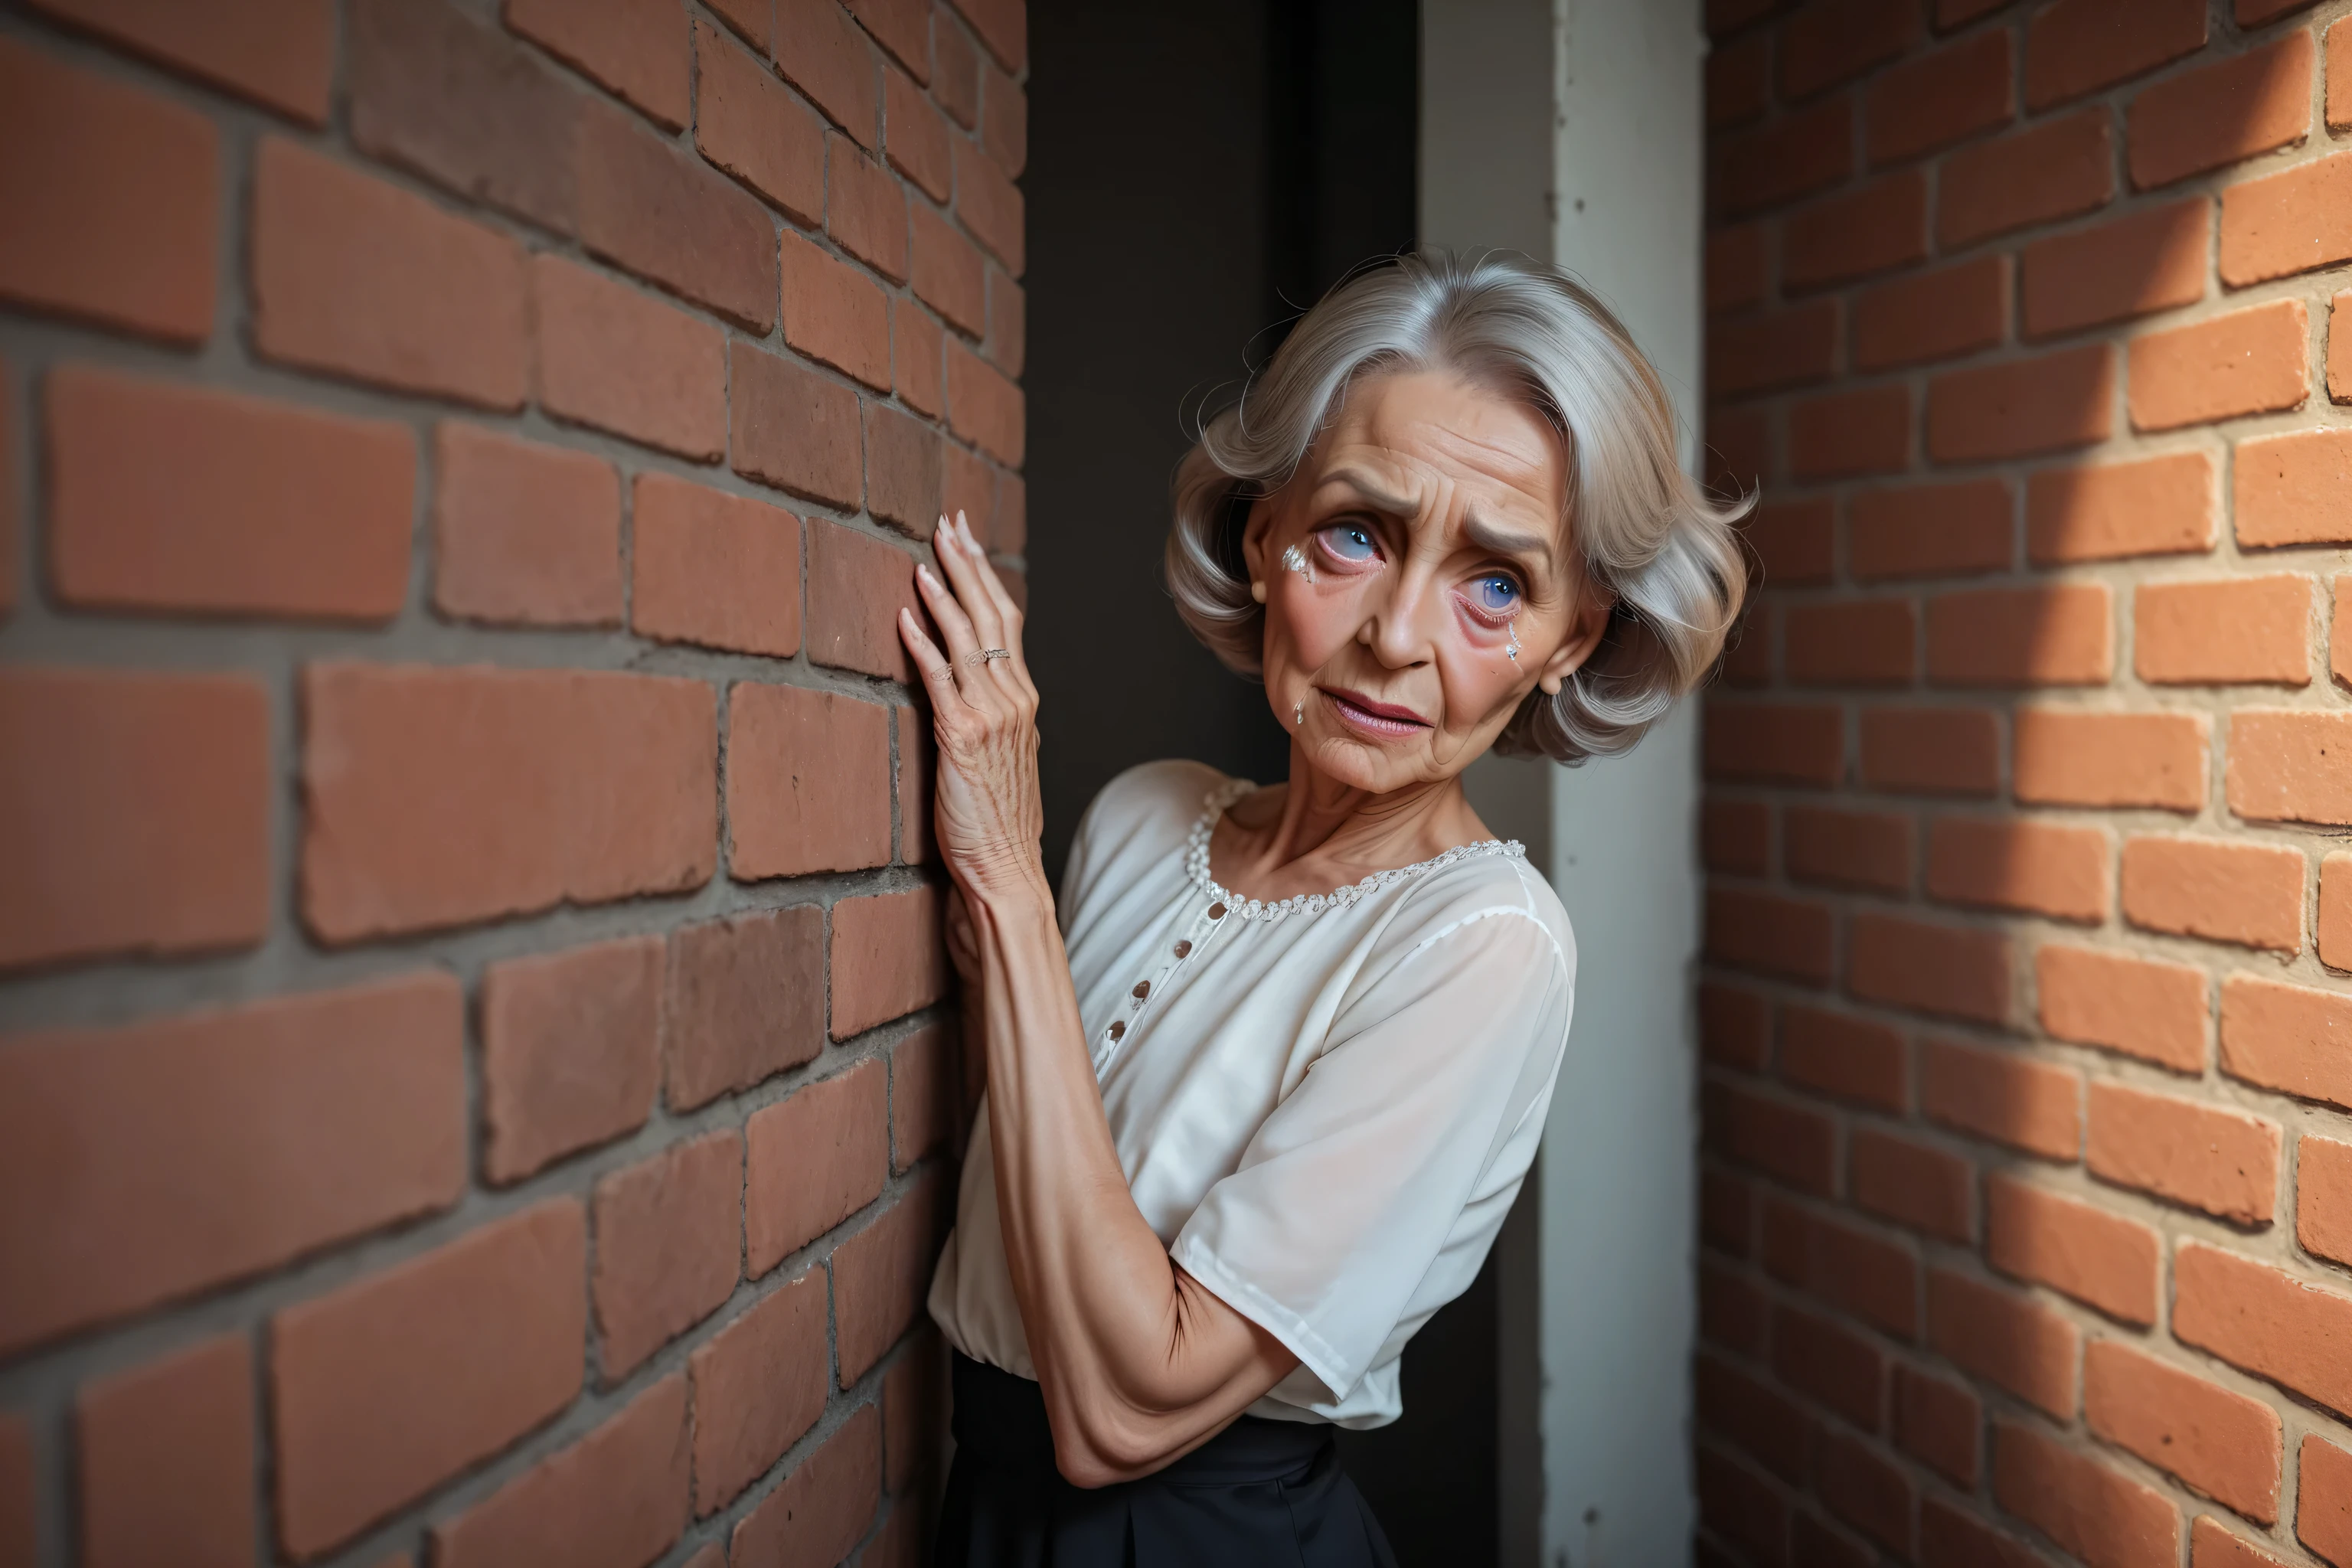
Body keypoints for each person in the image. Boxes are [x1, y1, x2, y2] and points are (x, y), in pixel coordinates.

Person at [899, 250, 1749, 1566]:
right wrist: (988, 963)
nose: (1398, 634)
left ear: (1572, 638)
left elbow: (1125, 1410)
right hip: (982, 1508)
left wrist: (1008, 885)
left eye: (1498, 585)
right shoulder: (1141, 815)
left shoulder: (1483, 948)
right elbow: (1012, 1205)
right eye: (1356, 533)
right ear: (1261, 531)